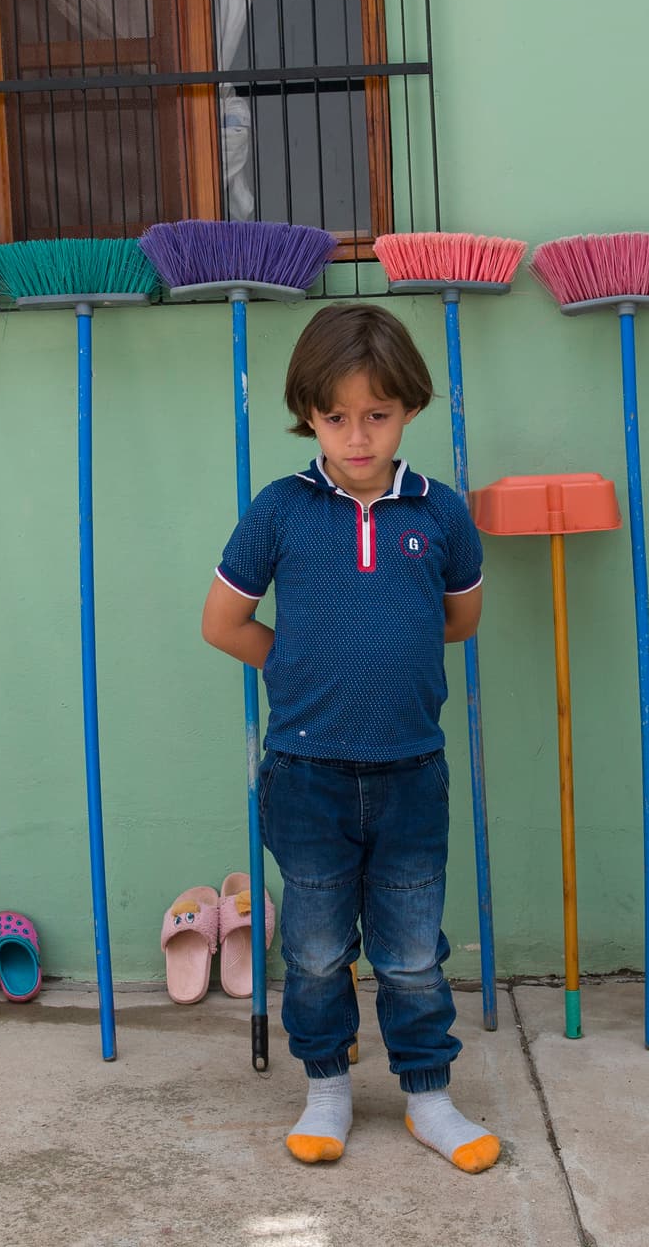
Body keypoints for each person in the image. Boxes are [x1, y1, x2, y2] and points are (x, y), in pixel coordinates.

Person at [200, 303, 497, 1173]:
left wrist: (381, 649)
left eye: (378, 414)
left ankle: (430, 1099)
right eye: (337, 417)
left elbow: (459, 618)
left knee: (411, 953)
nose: (358, 436)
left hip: (410, 770)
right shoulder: (281, 510)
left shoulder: (439, 512)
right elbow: (224, 622)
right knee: (318, 947)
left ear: (409, 409)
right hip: (306, 774)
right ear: (309, 414)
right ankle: (326, 1088)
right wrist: (295, 668)